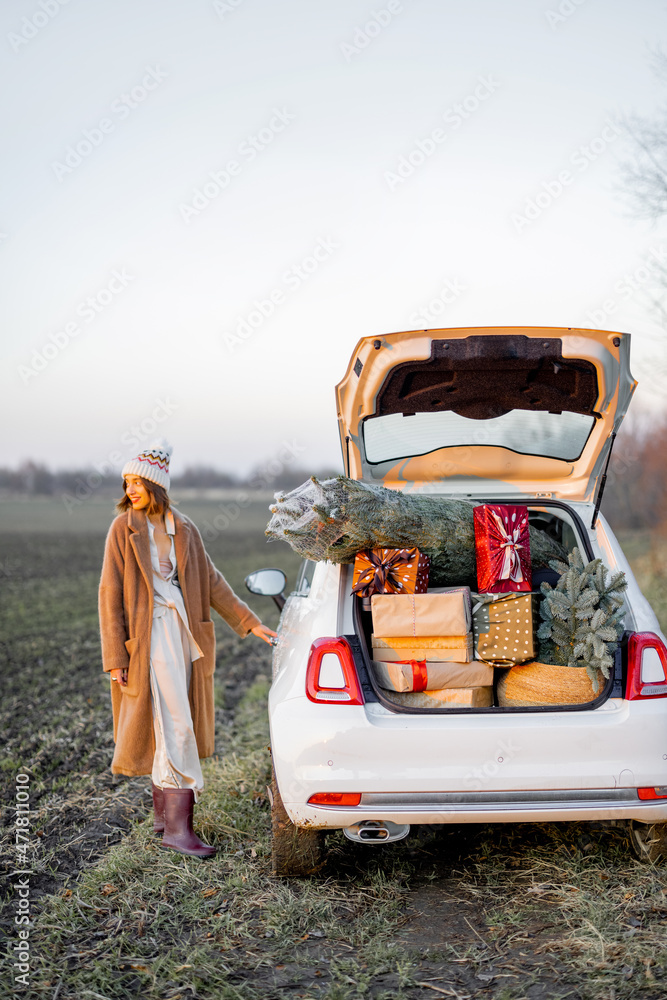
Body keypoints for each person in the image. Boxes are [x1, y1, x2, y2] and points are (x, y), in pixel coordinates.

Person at [98, 440, 276, 858]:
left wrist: (249, 622)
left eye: (137, 481)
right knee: (176, 723)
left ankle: (165, 821)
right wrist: (115, 659)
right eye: (127, 482)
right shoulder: (122, 528)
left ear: (156, 484)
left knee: (173, 722)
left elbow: (212, 582)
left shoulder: (186, 529)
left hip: (183, 636)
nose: (130, 489)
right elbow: (110, 593)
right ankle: (179, 829)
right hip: (148, 640)